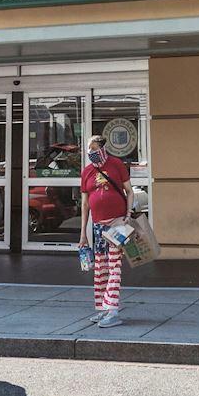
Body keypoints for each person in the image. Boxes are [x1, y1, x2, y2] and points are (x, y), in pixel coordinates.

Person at [79, 134, 133, 327]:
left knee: (114, 266)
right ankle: (104, 308)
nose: (91, 153)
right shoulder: (86, 172)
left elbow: (129, 191)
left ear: (103, 148)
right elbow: (85, 204)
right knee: (101, 268)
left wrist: (128, 214)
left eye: (94, 149)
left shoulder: (116, 164)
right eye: (89, 150)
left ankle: (113, 310)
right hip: (98, 226)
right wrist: (83, 232)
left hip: (117, 223)